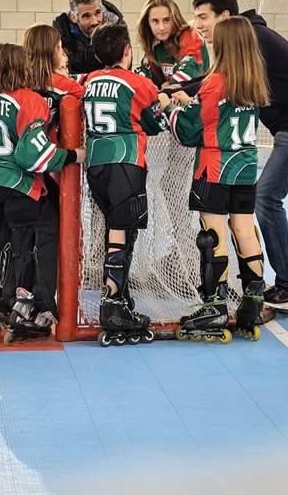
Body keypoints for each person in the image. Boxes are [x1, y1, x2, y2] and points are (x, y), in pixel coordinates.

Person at [192, 0, 288, 318]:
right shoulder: (251, 35)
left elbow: (219, 82)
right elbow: (216, 80)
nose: (198, 25)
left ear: (225, 17)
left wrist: (176, 92)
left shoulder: (250, 37)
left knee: (267, 197)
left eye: (204, 17)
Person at [0, 43, 85, 344]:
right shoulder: (29, 99)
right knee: (24, 249)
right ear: (20, 66)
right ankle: (23, 311)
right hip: (21, 187)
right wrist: (72, 155)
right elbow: (33, 156)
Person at [159, 16, 269, 342]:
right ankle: (252, 304)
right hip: (245, 167)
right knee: (244, 229)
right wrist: (192, 102)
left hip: (214, 167)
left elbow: (190, 130)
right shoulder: (253, 82)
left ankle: (214, 305)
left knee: (212, 235)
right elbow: (218, 114)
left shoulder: (215, 82)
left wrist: (169, 107)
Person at [83, 23, 168, 346]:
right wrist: (165, 101)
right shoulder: (138, 82)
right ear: (127, 51)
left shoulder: (89, 80)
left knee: (116, 230)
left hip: (96, 164)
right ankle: (113, 303)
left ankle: (120, 296)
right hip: (126, 161)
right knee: (122, 231)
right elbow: (155, 123)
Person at [136, 0, 210, 88]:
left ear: (175, 19)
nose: (161, 27)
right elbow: (144, 73)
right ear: (148, 24)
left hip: (197, 94)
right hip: (169, 95)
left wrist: (168, 87)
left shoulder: (191, 35)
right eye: (155, 21)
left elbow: (191, 69)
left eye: (166, 20)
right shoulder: (155, 45)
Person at [53, 0, 124, 75]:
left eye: (98, 13)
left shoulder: (117, 29)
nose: (94, 21)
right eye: (86, 16)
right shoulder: (61, 35)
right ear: (73, 17)